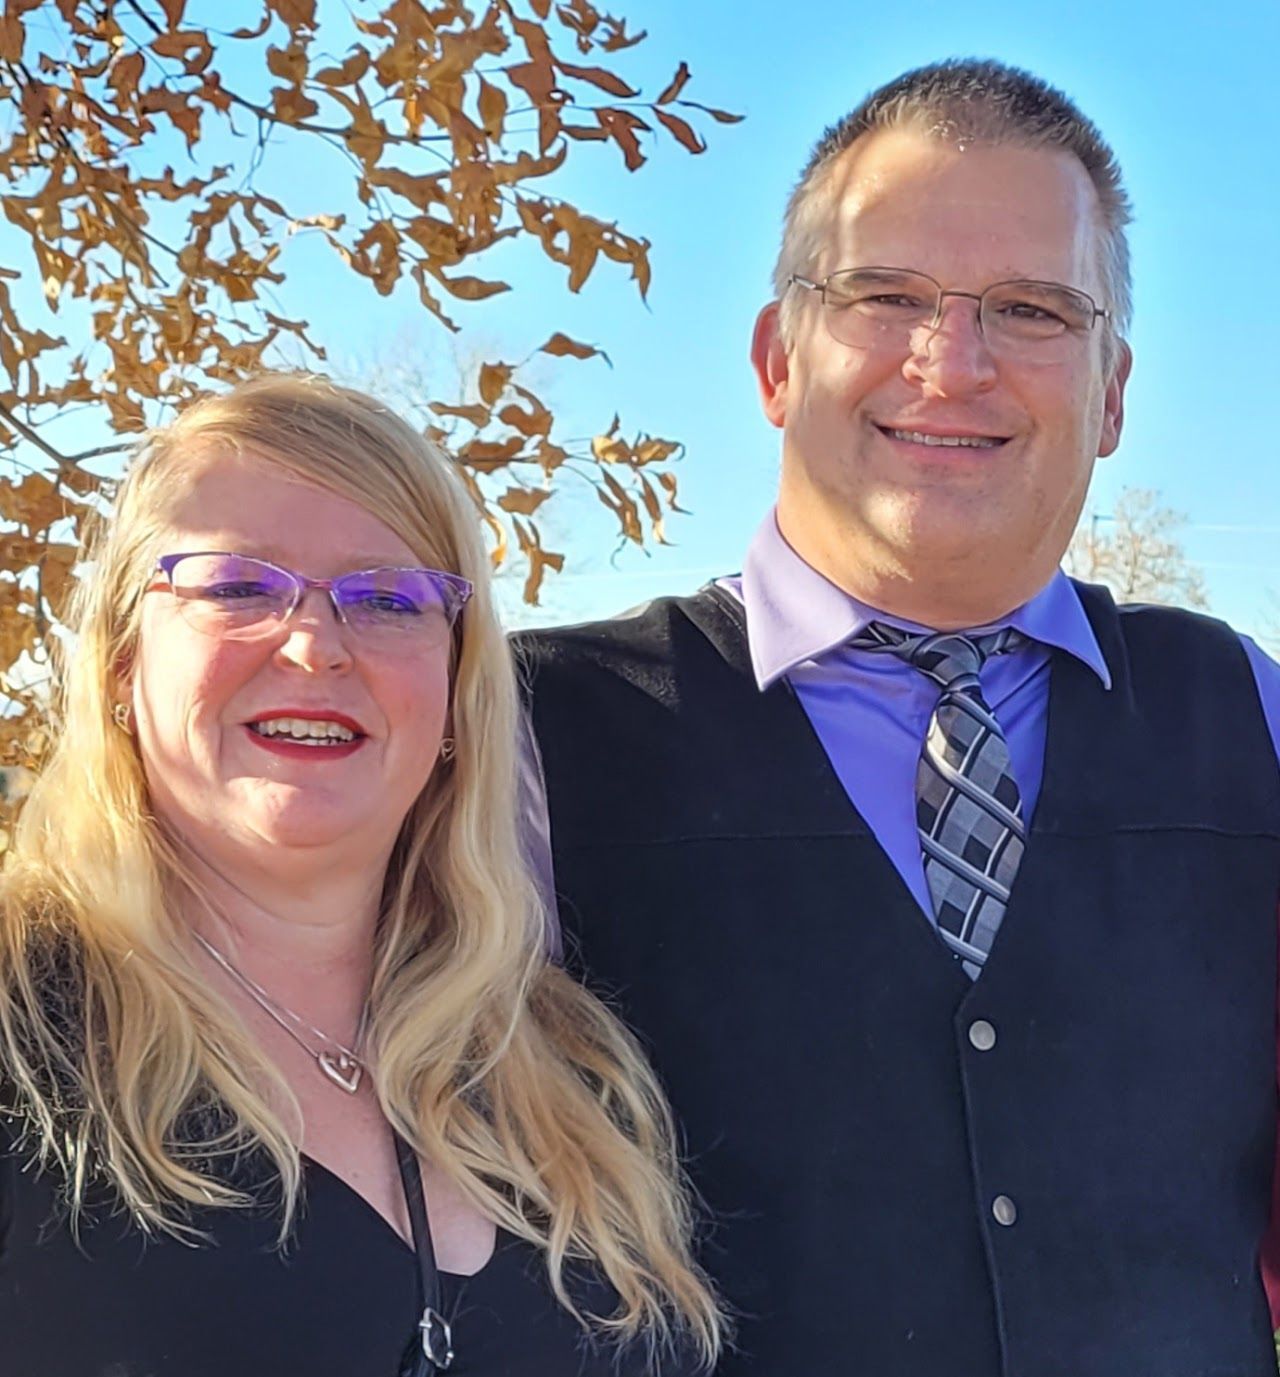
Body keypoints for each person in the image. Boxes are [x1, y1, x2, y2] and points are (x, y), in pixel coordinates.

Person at [518, 59, 1280, 1376]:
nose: (954, 361)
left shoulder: (1251, 714)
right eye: (885, 295)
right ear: (775, 358)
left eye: (1034, 309)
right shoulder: (529, 734)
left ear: (1110, 392)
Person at [0, 373, 722, 1377]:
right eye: (237, 586)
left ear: (455, 695)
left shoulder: (558, 1071)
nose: (312, 643)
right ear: (122, 664)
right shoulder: (24, 1032)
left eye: (387, 600)